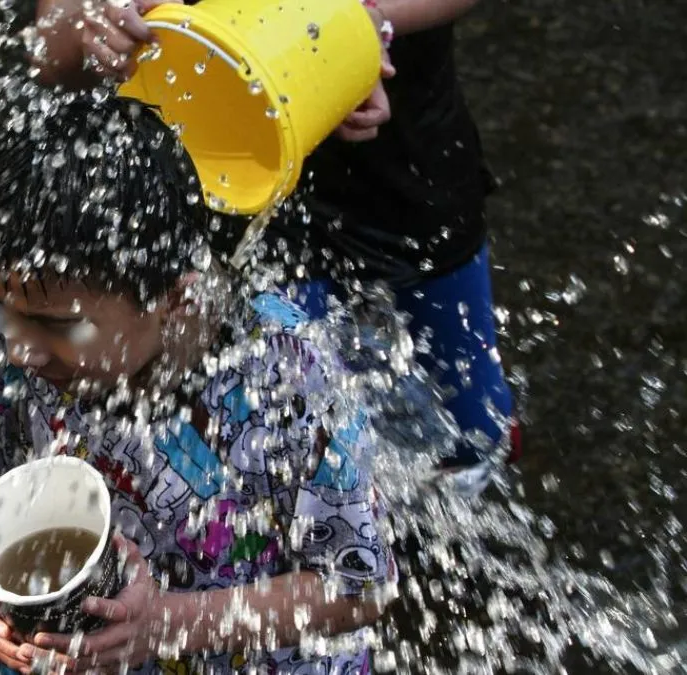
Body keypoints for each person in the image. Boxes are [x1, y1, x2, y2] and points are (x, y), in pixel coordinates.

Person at [0, 97, 397, 675]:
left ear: (178, 300)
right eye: (4, 310)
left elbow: (361, 587)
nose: (21, 351)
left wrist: (166, 625)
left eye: (59, 328)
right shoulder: (19, 319)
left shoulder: (285, 380)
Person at [27, 0, 519, 493]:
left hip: (406, 182)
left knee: (473, 425)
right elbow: (51, 50)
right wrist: (98, 25)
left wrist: (357, 24)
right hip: (231, 186)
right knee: (282, 437)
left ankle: (469, 480)